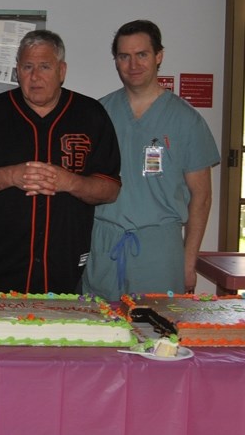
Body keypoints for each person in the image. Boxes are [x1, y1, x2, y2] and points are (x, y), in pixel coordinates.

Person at [0, 29, 122, 295]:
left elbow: (110, 189)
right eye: (27, 67)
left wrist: (70, 182)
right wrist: (11, 175)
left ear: (62, 70)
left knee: (64, 338)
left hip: (66, 271)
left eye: (45, 66)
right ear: (17, 71)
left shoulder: (90, 114)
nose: (35, 76)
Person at [82, 20, 220, 300]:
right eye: (124, 56)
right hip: (104, 244)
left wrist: (188, 261)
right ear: (116, 61)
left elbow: (202, 197)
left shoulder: (186, 120)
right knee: (98, 333)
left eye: (142, 54)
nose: (133, 64)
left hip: (160, 248)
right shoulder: (97, 114)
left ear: (159, 56)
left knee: (157, 334)